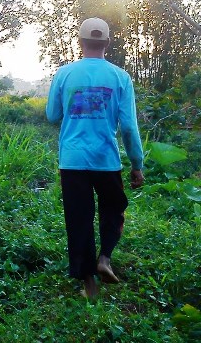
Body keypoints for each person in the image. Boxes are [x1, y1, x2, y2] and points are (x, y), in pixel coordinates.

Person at [45, 17, 145, 299]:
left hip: (73, 160)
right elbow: (128, 127)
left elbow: (52, 115)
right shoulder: (120, 77)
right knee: (114, 209)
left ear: (81, 42)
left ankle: (88, 282)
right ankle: (105, 258)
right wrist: (137, 165)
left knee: (79, 218)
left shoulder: (64, 74)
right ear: (108, 43)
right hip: (106, 160)